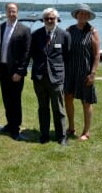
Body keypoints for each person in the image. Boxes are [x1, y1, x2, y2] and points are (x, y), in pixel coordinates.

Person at [29, 8, 70, 145]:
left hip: (57, 77)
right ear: (43, 20)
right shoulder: (35, 35)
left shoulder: (64, 35)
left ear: (57, 19)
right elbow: (32, 54)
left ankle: (62, 136)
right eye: (47, 18)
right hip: (39, 77)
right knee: (43, 108)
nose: (49, 20)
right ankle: (44, 134)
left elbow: (67, 57)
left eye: (52, 18)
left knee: (58, 109)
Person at [65, 4, 100, 141]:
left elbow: (97, 55)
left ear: (89, 16)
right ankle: (71, 127)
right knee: (68, 98)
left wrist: (93, 73)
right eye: (81, 13)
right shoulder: (69, 30)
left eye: (86, 14)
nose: (83, 16)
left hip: (85, 72)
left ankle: (86, 131)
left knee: (86, 101)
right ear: (77, 15)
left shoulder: (92, 31)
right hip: (70, 71)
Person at [0, 2, 31, 140]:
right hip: (3, 69)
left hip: (16, 71)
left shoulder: (24, 30)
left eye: (14, 11)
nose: (11, 14)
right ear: (6, 12)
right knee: (6, 98)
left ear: (17, 12)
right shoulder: (1, 27)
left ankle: (15, 127)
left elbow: (27, 53)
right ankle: (9, 123)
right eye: (9, 11)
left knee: (15, 99)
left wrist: (20, 72)